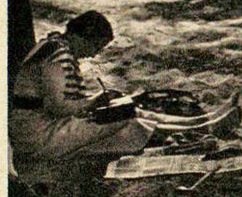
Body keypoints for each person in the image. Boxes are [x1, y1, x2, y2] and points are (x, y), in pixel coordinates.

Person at [9, 12, 153, 167]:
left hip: (31, 129)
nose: (94, 54)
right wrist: (95, 101)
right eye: (96, 46)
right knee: (122, 118)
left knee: (123, 120)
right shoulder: (57, 56)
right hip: (37, 134)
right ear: (83, 37)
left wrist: (95, 101)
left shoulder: (51, 45)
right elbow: (58, 107)